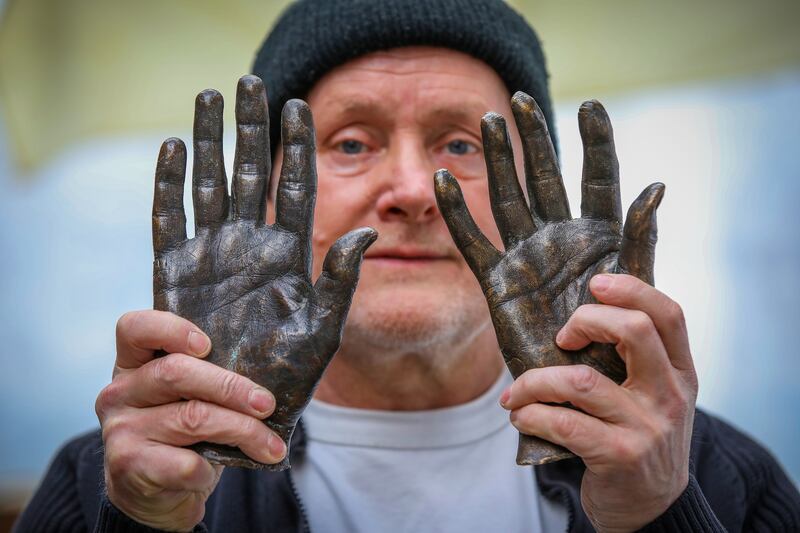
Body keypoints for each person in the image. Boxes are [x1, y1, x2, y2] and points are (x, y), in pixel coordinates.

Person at [14, 1, 800, 532]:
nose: (410, 192)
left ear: (539, 195)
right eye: (351, 143)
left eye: (462, 143)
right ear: (262, 199)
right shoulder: (116, 480)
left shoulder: (701, 470)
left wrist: (659, 515)